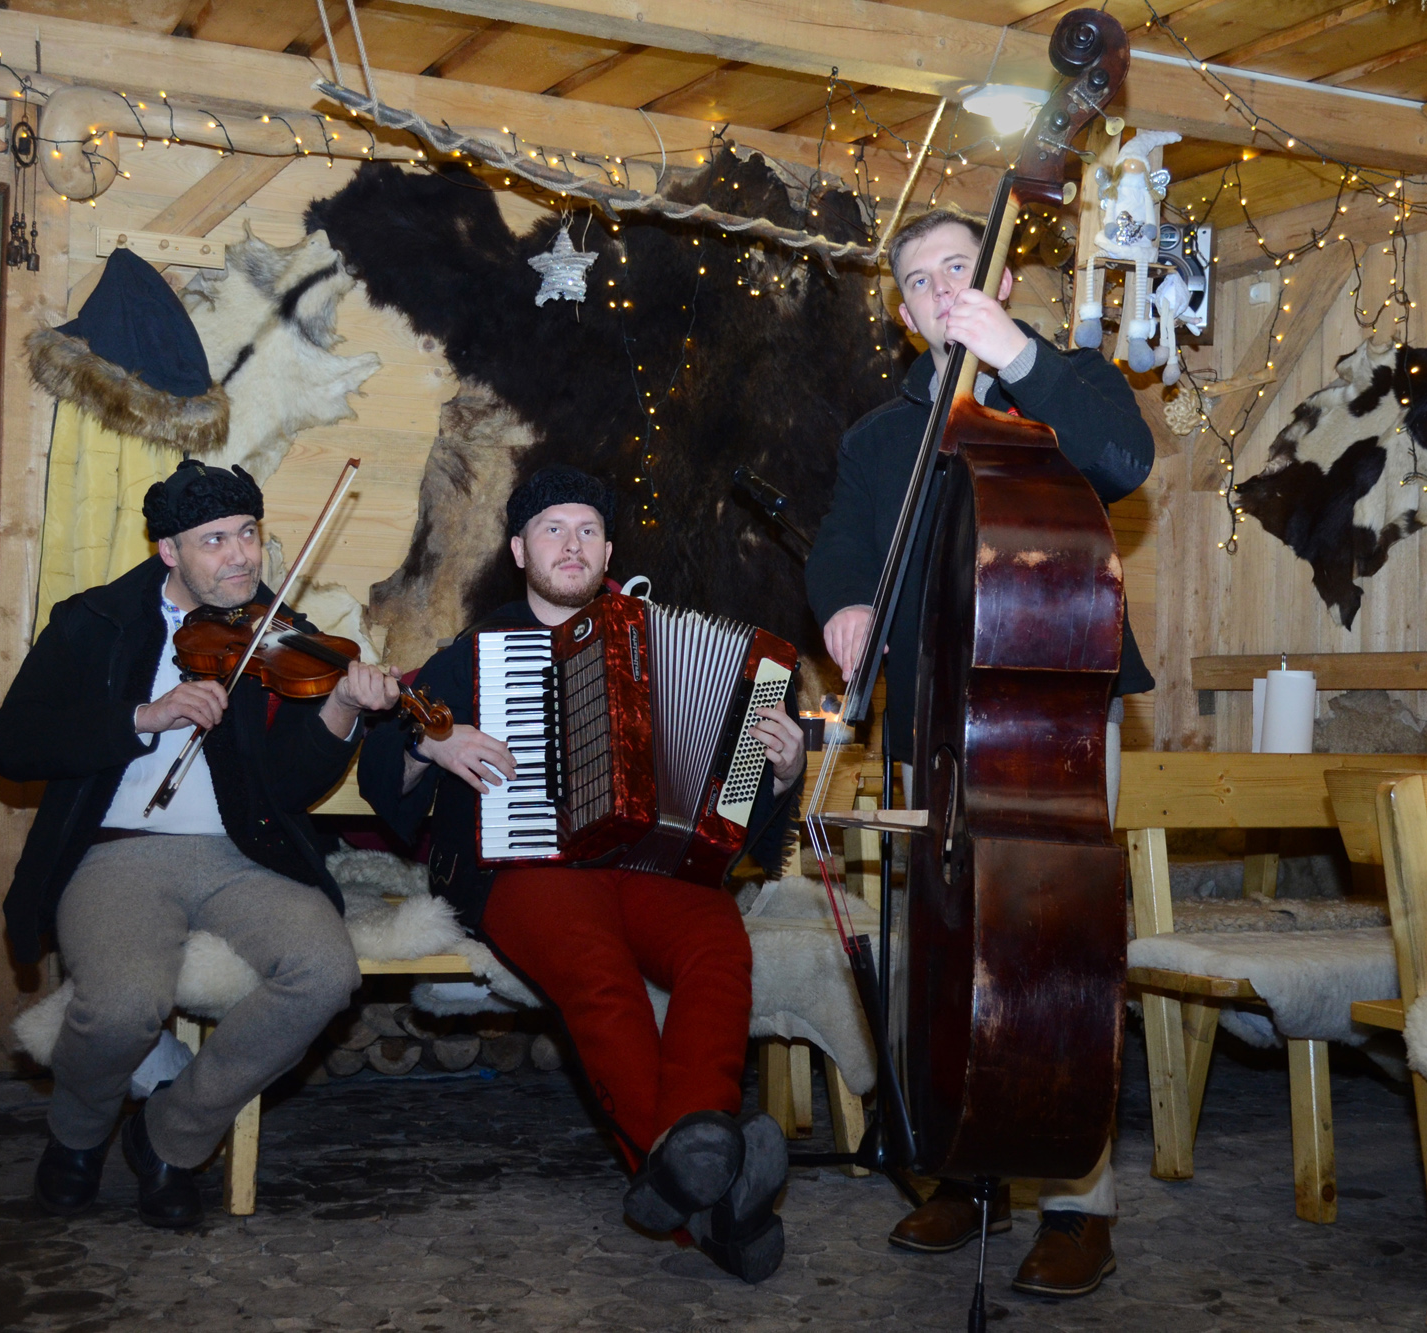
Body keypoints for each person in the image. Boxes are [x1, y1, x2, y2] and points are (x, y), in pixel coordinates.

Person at [805, 208, 1156, 1298]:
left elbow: (1124, 462)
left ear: (998, 278)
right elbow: (839, 545)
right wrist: (845, 602)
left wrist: (1016, 356)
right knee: (943, 951)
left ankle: (1076, 1199)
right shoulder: (879, 437)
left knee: (1057, 953)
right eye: (918, 280)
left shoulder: (1068, 382)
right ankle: (962, 1166)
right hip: (932, 722)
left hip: (1054, 709)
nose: (939, 288)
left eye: (957, 267)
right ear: (903, 312)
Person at [358, 466, 808, 1282]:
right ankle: (717, 1196)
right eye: (553, 529)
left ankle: (692, 1174)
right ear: (519, 550)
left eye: (588, 530)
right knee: (597, 970)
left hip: (648, 862)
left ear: (607, 550)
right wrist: (431, 745)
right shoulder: (474, 654)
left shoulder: (650, 640)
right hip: (523, 867)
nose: (572, 545)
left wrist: (776, 773)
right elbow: (381, 768)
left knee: (717, 939)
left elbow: (728, 811)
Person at [0, 459, 401, 1229]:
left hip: (244, 854)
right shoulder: (95, 622)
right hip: (119, 853)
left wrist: (343, 708)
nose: (241, 555)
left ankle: (171, 1136)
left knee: (324, 972)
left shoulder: (276, 633)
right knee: (121, 1008)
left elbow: (289, 785)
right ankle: (77, 1134)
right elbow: (13, 744)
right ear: (168, 551)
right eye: (215, 540)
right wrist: (142, 717)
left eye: (248, 532)